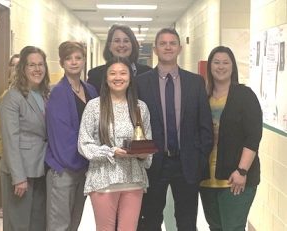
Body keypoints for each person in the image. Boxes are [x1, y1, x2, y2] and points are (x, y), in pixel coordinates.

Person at [136, 28, 214, 230]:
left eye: (172, 43)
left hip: (187, 163)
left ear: (179, 48)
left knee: (187, 221)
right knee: (151, 220)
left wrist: (199, 156)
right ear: (155, 49)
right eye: (163, 43)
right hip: (154, 164)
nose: (168, 47)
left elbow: (205, 124)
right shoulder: (141, 83)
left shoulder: (195, 82)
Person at [78, 56, 152, 231]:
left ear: (130, 77)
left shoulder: (140, 107)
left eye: (123, 73)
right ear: (106, 78)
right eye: (113, 73)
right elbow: (84, 143)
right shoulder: (94, 106)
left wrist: (143, 154)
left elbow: (147, 142)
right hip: (104, 180)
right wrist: (110, 152)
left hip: (133, 179)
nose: (118, 77)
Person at [199, 46, 263, 230]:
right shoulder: (204, 97)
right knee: (215, 227)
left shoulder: (245, 96)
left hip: (235, 179)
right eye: (216, 62)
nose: (221, 66)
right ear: (210, 66)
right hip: (207, 179)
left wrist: (242, 171)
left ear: (233, 66)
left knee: (232, 227)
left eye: (225, 62)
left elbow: (253, 136)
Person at [45, 41, 97, 231]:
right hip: (64, 168)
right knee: (60, 225)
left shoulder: (91, 90)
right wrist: (83, 158)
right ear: (61, 63)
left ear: (84, 61)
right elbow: (61, 135)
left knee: (74, 223)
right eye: (68, 59)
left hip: (85, 167)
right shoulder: (57, 92)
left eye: (78, 58)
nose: (74, 62)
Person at [0, 46, 50, 231]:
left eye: (40, 64)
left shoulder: (45, 94)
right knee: (19, 224)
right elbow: (10, 140)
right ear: (23, 69)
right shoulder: (12, 97)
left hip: (40, 168)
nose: (37, 69)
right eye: (31, 65)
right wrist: (18, 177)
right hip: (19, 172)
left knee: (37, 223)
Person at [0, 53, 20, 219]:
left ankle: (8, 209)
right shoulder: (8, 90)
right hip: (3, 142)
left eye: (19, 65)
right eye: (13, 65)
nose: (15, 68)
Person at [87, 24, 151, 94]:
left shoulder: (148, 74)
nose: (121, 45)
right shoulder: (95, 75)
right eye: (117, 41)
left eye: (126, 41)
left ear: (132, 45)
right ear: (109, 46)